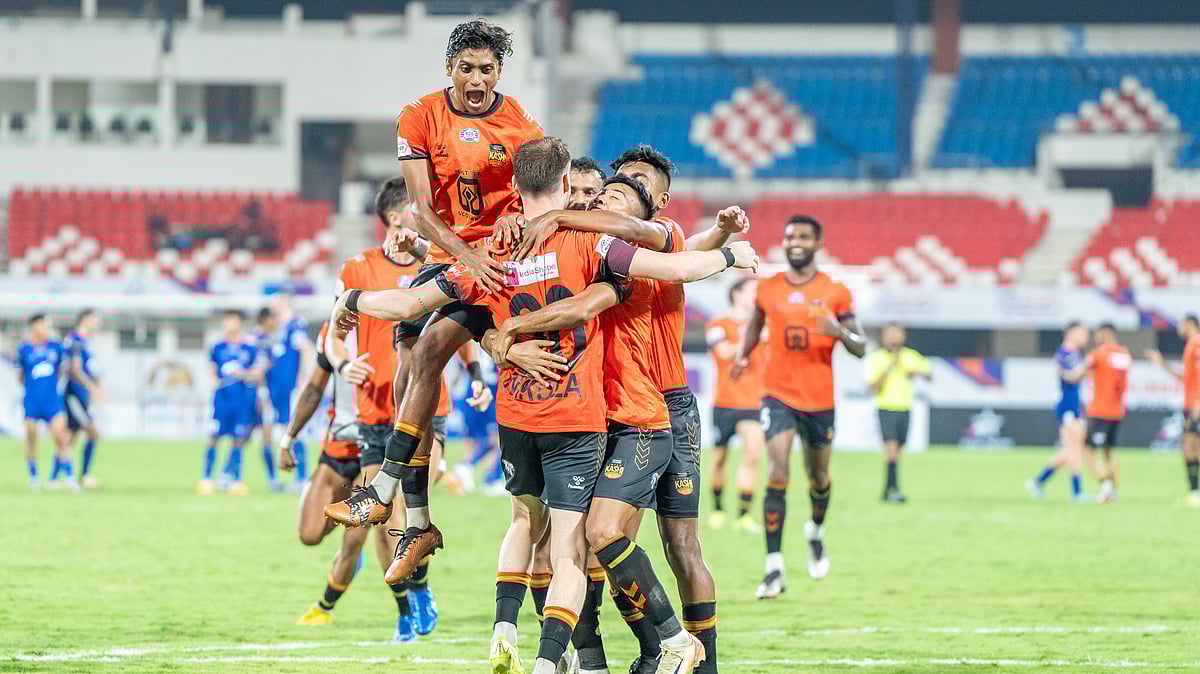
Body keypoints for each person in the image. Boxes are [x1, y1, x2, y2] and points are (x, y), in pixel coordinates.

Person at [329, 139, 759, 674]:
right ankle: (600, 657)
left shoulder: (646, 235)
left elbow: (670, 262)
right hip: (588, 410)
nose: (606, 195)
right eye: (603, 186)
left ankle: (688, 655)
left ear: (660, 200)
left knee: (668, 544)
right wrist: (497, 339)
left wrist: (724, 248)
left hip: (658, 408)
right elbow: (465, 308)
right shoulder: (561, 241)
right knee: (581, 542)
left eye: (632, 187)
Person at [326, 19, 546, 584]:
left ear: (500, 71)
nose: (477, 79)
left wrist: (519, 219)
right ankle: (417, 519)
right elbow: (422, 212)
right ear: (449, 67)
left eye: (488, 69)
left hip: (498, 264)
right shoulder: (419, 116)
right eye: (467, 68)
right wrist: (461, 256)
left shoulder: (519, 122)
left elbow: (543, 190)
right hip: (452, 254)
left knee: (422, 353)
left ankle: (386, 493)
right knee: (411, 370)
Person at [732, 214, 867, 599]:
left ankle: (816, 532)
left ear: (818, 244)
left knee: (819, 478)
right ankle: (773, 566)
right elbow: (755, 323)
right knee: (776, 470)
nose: (795, 242)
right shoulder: (769, 288)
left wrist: (839, 331)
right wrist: (743, 356)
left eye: (803, 237)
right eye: (790, 235)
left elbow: (862, 347)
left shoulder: (836, 292)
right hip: (777, 393)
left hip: (820, 401)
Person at [705, 279, 765, 532]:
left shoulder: (764, 325)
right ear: (737, 294)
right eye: (752, 291)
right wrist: (749, 334)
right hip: (725, 402)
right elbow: (724, 352)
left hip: (753, 401)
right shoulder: (718, 323)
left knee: (752, 453)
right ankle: (718, 509)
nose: (756, 296)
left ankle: (744, 514)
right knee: (719, 458)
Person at [863, 322, 931, 503]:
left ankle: (888, 490)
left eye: (897, 333)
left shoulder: (910, 356)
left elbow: (929, 375)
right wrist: (889, 368)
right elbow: (872, 386)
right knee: (891, 449)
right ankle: (893, 489)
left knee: (899, 451)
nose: (893, 337)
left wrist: (916, 371)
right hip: (886, 408)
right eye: (890, 334)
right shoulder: (878, 358)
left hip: (905, 407)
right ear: (884, 337)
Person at [1026, 321, 1090, 503]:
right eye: (1082, 332)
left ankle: (1039, 481)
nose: (1085, 337)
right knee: (1074, 448)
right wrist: (1090, 367)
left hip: (1074, 405)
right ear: (1071, 332)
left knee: (1072, 449)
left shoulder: (1075, 354)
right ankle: (1076, 492)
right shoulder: (1066, 354)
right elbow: (1071, 376)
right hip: (1068, 406)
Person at [200, 309, 258, 496]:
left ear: (240, 322)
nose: (229, 323)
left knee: (238, 440)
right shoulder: (217, 347)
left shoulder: (249, 348)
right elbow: (211, 370)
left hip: (241, 401)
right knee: (213, 438)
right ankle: (207, 478)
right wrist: (213, 381)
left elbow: (257, 373)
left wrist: (240, 373)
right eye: (226, 320)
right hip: (221, 401)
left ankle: (235, 480)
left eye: (232, 320)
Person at [1147, 314, 1200, 507]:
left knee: (1189, 447)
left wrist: (1197, 404)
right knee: (1190, 448)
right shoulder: (1191, 346)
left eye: (1181, 324)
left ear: (1189, 324)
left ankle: (1195, 493)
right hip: (1191, 404)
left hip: (1195, 405)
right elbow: (1186, 377)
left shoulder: (1196, 344)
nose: (1178, 328)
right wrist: (1162, 364)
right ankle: (1194, 494)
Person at [17, 314, 72, 492]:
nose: (47, 328)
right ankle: (34, 478)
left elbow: (64, 369)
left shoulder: (56, 347)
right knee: (31, 437)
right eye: (43, 324)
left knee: (60, 437)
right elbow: (20, 376)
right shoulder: (24, 349)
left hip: (52, 400)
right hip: (32, 401)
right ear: (34, 326)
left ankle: (68, 478)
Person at [266, 294, 316, 489]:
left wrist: (304, 379)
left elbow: (306, 349)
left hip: (292, 389)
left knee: (296, 431)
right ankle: (284, 477)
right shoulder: (279, 329)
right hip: (278, 390)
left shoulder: (295, 325)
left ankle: (302, 477)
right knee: (282, 430)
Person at [1084, 323, 1131, 504]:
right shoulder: (1123, 355)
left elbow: (1082, 370)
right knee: (1109, 452)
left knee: (1089, 452)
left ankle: (1105, 486)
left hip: (1100, 411)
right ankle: (1114, 490)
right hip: (1117, 411)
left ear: (1105, 333)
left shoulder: (1098, 354)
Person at [63, 309, 105, 489]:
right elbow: (75, 370)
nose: (98, 324)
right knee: (93, 432)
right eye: (95, 320)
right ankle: (85, 475)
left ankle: (56, 477)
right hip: (74, 394)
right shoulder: (76, 341)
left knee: (70, 436)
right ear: (85, 320)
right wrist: (93, 388)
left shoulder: (85, 342)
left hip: (82, 395)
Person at [248, 307, 282, 492]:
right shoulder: (256, 341)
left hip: (263, 393)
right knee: (244, 435)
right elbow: (258, 370)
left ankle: (272, 478)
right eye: (274, 317)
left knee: (261, 434)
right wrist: (261, 393)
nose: (276, 321)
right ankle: (228, 473)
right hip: (254, 395)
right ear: (265, 319)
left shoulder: (269, 339)